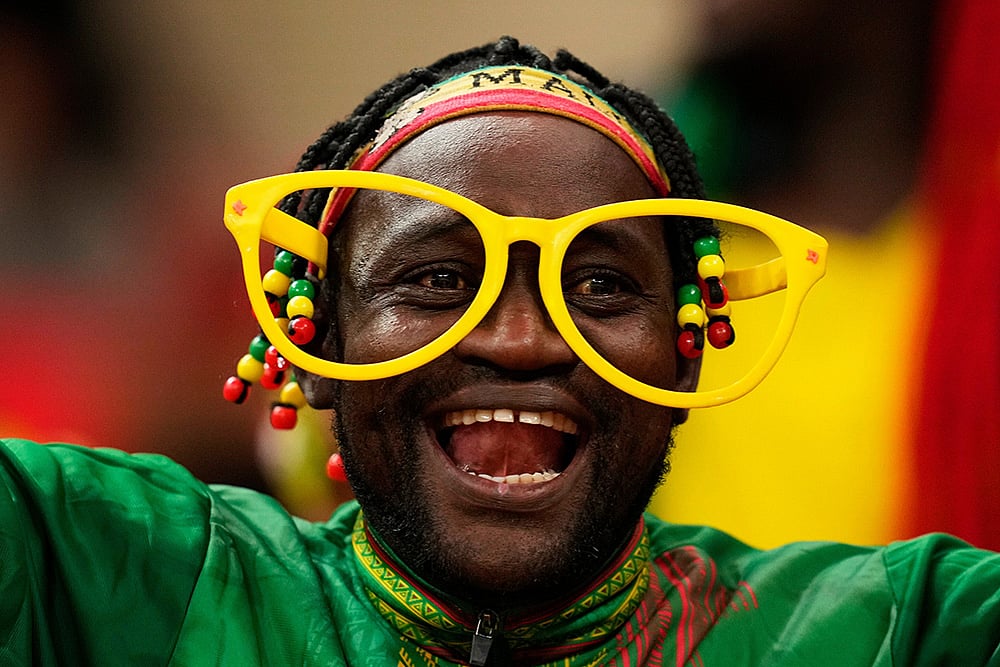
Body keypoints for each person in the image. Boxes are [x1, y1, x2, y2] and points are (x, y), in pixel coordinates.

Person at [1, 36, 997, 666]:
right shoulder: (113, 572)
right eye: (437, 277)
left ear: (685, 352)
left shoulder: (894, 631)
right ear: (311, 338)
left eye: (599, 284)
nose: (522, 338)